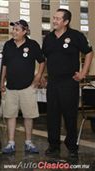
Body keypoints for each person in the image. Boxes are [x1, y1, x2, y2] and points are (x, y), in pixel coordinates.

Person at [42, 9, 93, 158]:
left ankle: (72, 147)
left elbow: (89, 53)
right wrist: (42, 75)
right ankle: (53, 146)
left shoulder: (76, 36)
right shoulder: (49, 38)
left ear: (66, 22)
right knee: (52, 116)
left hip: (69, 82)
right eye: (54, 18)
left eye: (58, 19)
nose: (54, 21)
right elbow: (44, 58)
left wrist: (83, 73)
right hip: (52, 83)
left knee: (70, 116)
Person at [0, 20, 45, 154]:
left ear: (25, 31)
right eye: (13, 29)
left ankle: (28, 142)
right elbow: (4, 65)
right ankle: (11, 143)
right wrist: (2, 81)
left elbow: (42, 61)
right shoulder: (8, 45)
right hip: (11, 87)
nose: (13, 32)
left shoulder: (33, 45)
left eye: (17, 29)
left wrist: (37, 77)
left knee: (28, 116)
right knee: (10, 115)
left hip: (27, 87)